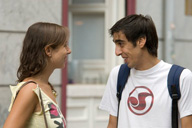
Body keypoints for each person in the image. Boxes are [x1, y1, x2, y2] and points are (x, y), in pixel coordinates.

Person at [99, 14, 192, 128]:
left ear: (141, 41)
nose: (117, 52)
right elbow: (112, 124)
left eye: (121, 44)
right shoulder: (118, 75)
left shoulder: (181, 78)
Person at [3, 22, 71, 128]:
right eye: (64, 45)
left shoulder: (46, 87)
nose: (69, 50)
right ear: (48, 50)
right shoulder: (30, 90)